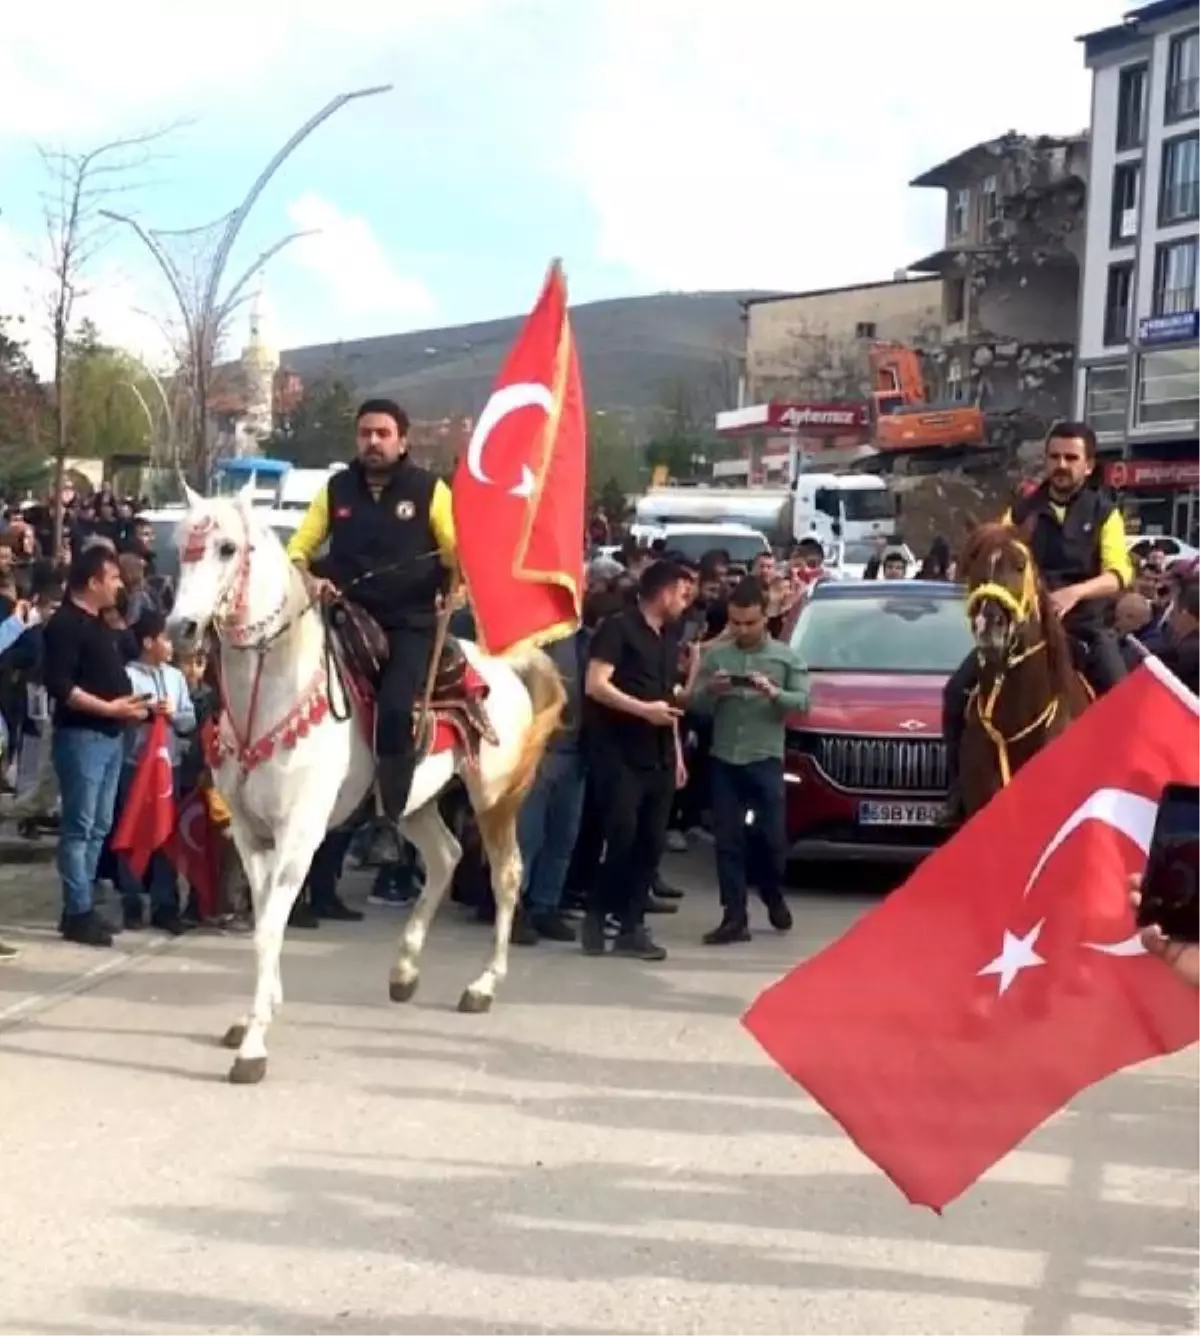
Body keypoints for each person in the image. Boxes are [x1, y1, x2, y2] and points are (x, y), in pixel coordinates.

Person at [942, 422, 1133, 812]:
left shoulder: (1105, 513)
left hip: (1084, 627)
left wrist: (1075, 593)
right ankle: (958, 790)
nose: (1061, 465)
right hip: (1025, 627)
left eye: (1071, 458)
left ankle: (1121, 796)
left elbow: (1119, 574)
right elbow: (996, 551)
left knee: (1123, 698)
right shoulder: (1020, 510)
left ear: (1089, 464)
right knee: (955, 692)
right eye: (1054, 457)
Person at [286, 399, 457, 820]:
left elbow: (457, 554)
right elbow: (298, 549)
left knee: (396, 708)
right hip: (344, 619)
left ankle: (387, 816)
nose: (373, 442)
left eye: (383, 434)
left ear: (403, 440)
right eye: (365, 434)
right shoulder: (336, 489)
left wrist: (461, 583)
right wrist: (308, 577)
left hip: (408, 624)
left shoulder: (430, 490)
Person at [582, 559, 691, 963]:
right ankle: (597, 913)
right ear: (663, 592)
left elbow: (669, 700)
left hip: (660, 755)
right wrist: (642, 710)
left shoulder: (668, 636)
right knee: (622, 838)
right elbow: (596, 685)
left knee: (651, 843)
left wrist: (677, 753)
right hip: (619, 753)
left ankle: (632, 926)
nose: (685, 601)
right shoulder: (618, 629)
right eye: (682, 593)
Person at [689, 577, 808, 944]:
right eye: (736, 623)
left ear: (765, 618)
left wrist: (775, 694)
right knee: (727, 841)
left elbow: (803, 704)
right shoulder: (718, 657)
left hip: (765, 759)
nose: (742, 630)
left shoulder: (786, 658)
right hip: (725, 759)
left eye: (750, 623)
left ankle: (772, 894)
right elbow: (693, 706)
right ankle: (734, 916)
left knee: (771, 840)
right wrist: (711, 691)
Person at [43, 546, 150, 947]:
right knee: (80, 826)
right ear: (92, 582)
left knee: (99, 827)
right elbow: (61, 686)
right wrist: (108, 707)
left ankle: (82, 904)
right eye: (113, 579)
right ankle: (77, 910)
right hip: (82, 736)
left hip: (110, 736)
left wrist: (131, 707)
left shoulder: (101, 624)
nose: (119, 585)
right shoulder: (64, 625)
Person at [117, 609, 196, 933]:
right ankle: (132, 900)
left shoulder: (176, 677)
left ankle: (166, 903)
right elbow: (123, 716)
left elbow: (189, 720)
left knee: (165, 834)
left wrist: (175, 714)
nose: (169, 645)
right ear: (149, 641)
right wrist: (146, 712)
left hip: (168, 767)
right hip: (136, 766)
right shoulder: (128, 675)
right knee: (133, 831)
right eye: (164, 638)